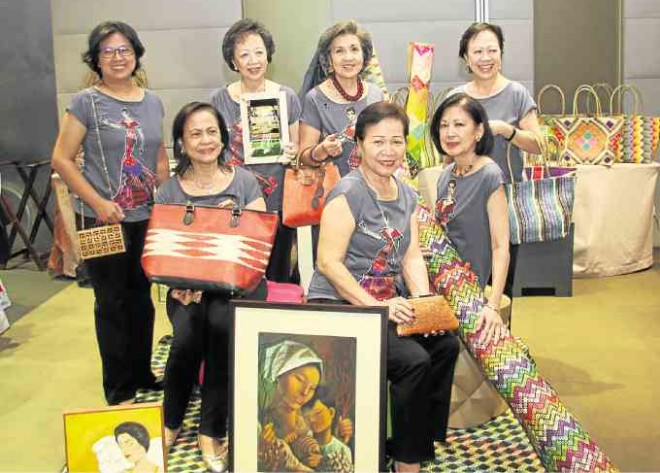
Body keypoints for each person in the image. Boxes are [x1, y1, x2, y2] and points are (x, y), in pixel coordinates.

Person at [307, 102, 459, 473]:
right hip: (341, 304)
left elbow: (411, 256)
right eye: (378, 142)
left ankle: (414, 440)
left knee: (444, 344)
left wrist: (423, 305)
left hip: (386, 304)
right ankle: (407, 461)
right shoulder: (348, 193)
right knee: (413, 360)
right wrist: (379, 307)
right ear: (359, 145)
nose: (388, 150)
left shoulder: (406, 194)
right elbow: (328, 263)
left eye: (396, 141)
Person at [51, 21, 169, 406]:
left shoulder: (152, 102)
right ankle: (118, 387)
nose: (118, 57)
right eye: (108, 51)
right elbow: (62, 159)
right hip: (98, 219)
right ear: (96, 59)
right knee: (111, 301)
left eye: (124, 50)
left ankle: (141, 373)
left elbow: (159, 156)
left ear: (136, 54)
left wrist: (166, 199)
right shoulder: (85, 102)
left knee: (142, 298)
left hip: (146, 217)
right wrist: (98, 202)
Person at [157, 102, 267, 473]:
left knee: (221, 325)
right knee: (186, 334)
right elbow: (162, 249)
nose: (205, 141)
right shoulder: (169, 191)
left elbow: (258, 244)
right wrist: (179, 284)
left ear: (223, 138)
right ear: (181, 142)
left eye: (211, 132)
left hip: (239, 284)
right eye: (195, 134)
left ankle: (211, 430)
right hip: (187, 286)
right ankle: (170, 421)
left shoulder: (244, 183)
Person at [450, 22, 542, 300]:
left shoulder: (517, 93)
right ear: (466, 58)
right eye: (477, 51)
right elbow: (447, 154)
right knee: (465, 282)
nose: (485, 58)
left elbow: (538, 144)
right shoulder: (457, 98)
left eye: (492, 50)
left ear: (501, 53)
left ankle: (499, 325)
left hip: (506, 199)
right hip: (465, 201)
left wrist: (506, 130)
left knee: (502, 282)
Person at [211, 19, 300, 283]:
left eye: (259, 52)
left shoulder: (286, 96)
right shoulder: (219, 100)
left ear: (268, 54)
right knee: (237, 276)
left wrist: (292, 151)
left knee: (277, 275)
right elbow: (213, 150)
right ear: (233, 61)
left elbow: (298, 149)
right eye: (245, 55)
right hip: (233, 202)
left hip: (277, 202)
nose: (254, 61)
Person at [430, 93, 509, 345]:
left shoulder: (489, 175)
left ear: (479, 131)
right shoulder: (446, 174)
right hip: (437, 280)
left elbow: (500, 246)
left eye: (459, 124)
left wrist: (493, 305)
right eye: (444, 125)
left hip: (466, 288)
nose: (450, 133)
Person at [298, 20, 385, 176]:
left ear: (364, 55)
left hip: (374, 184)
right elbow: (302, 160)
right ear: (329, 59)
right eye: (339, 51)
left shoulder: (376, 95)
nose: (348, 57)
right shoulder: (315, 98)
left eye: (354, 49)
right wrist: (321, 150)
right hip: (334, 187)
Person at [302, 387, 353, 473]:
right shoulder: (301, 444)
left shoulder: (342, 450)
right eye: (307, 416)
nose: (312, 420)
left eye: (318, 414)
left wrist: (324, 462)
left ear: (331, 413)